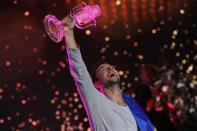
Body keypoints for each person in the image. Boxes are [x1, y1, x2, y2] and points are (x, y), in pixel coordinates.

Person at [62, 15, 156, 131]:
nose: (110, 69)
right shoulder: (96, 102)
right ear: (97, 84)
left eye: (111, 67)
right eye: (103, 69)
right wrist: (68, 32)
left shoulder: (133, 105)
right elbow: (79, 70)